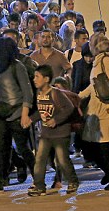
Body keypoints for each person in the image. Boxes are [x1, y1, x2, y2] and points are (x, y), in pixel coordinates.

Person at [0, 37, 36, 194]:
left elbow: (27, 92)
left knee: (23, 148)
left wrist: (25, 114)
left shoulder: (17, 66)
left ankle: (38, 179)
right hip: (1, 112)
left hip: (17, 111)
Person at [79, 34, 109, 191]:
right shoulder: (98, 62)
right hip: (98, 111)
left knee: (106, 149)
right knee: (92, 147)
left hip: (108, 111)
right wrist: (79, 96)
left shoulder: (106, 60)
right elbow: (94, 85)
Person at [28, 65, 79, 196]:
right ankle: (39, 186)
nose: (34, 79)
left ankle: (73, 181)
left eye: (37, 77)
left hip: (60, 133)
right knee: (40, 159)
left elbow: (69, 108)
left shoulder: (56, 93)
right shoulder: (39, 94)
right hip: (46, 133)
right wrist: (30, 119)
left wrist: (56, 120)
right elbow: (41, 112)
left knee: (62, 160)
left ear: (46, 79)